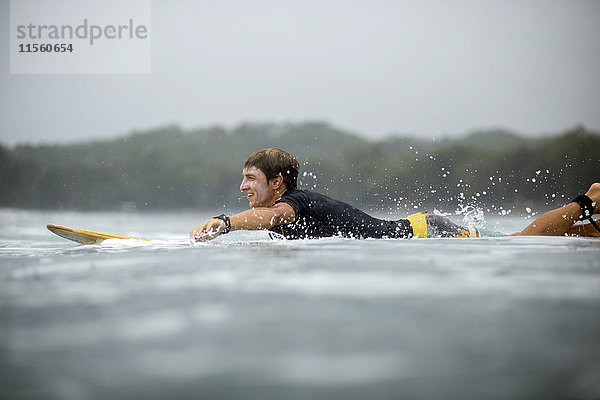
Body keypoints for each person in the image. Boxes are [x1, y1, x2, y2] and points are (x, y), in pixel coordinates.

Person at [190, 148, 600, 242]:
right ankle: (591, 233)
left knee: (518, 245)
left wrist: (223, 223)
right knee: (521, 243)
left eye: (250, 178)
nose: (243, 187)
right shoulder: (290, 207)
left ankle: (589, 200)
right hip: (423, 229)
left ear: (277, 182)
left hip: (424, 233)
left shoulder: (293, 204)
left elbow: (271, 219)